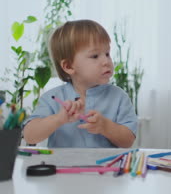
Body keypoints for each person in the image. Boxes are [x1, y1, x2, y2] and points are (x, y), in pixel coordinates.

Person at [23, 20, 137, 148]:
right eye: (95, 56)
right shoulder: (52, 98)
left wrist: (106, 127)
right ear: (68, 66)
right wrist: (58, 119)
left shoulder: (119, 97)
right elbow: (29, 136)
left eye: (107, 53)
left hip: (105, 167)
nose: (106, 61)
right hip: (63, 167)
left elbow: (128, 141)